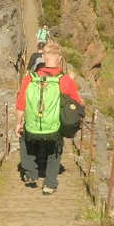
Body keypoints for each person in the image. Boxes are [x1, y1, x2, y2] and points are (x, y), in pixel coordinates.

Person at [15, 43, 83, 194]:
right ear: (60, 58)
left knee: (25, 140)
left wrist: (18, 124)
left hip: (32, 128)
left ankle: (31, 174)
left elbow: (21, 103)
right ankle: (50, 184)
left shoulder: (30, 78)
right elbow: (78, 103)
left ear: (43, 57)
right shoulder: (64, 80)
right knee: (55, 150)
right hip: (54, 129)